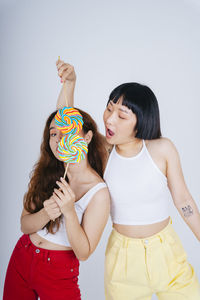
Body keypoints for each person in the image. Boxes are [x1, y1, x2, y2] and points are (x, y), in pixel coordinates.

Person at [57, 61, 200, 299]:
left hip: (167, 252)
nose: (110, 119)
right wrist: (70, 83)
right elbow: (65, 121)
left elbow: (184, 200)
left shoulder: (162, 149)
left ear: (141, 122)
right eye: (109, 108)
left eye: (121, 115)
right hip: (123, 259)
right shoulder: (105, 151)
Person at [3, 77, 110, 299]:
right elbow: (24, 225)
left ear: (87, 137)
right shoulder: (46, 172)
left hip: (58, 272)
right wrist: (45, 213)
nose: (59, 138)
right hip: (22, 258)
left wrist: (69, 212)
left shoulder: (98, 192)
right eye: (53, 133)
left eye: (67, 131)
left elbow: (83, 252)